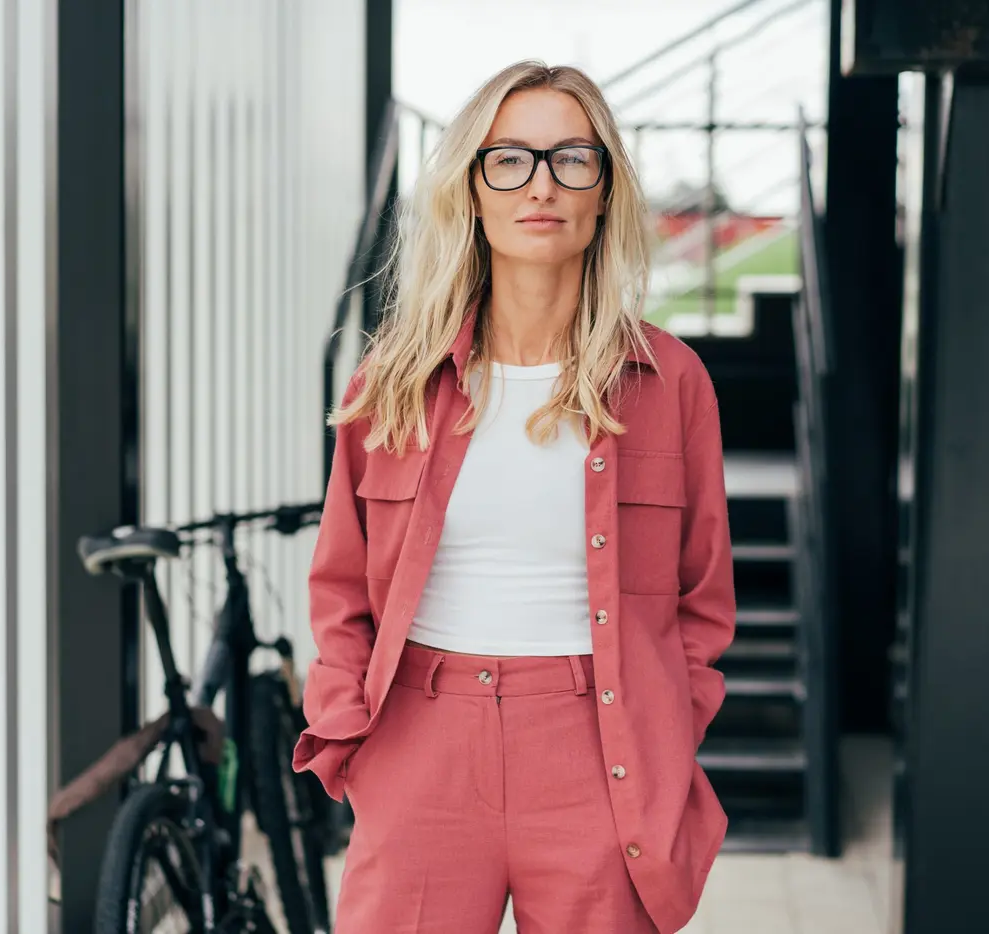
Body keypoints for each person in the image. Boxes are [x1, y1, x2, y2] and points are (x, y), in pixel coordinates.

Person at [292, 60, 736, 934]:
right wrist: (350, 739)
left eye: (572, 159)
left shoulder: (669, 380)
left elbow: (702, 602)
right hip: (420, 741)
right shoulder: (396, 381)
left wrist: (665, 740)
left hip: (597, 753)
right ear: (472, 189)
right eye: (510, 159)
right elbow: (341, 585)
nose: (541, 184)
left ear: (605, 190)